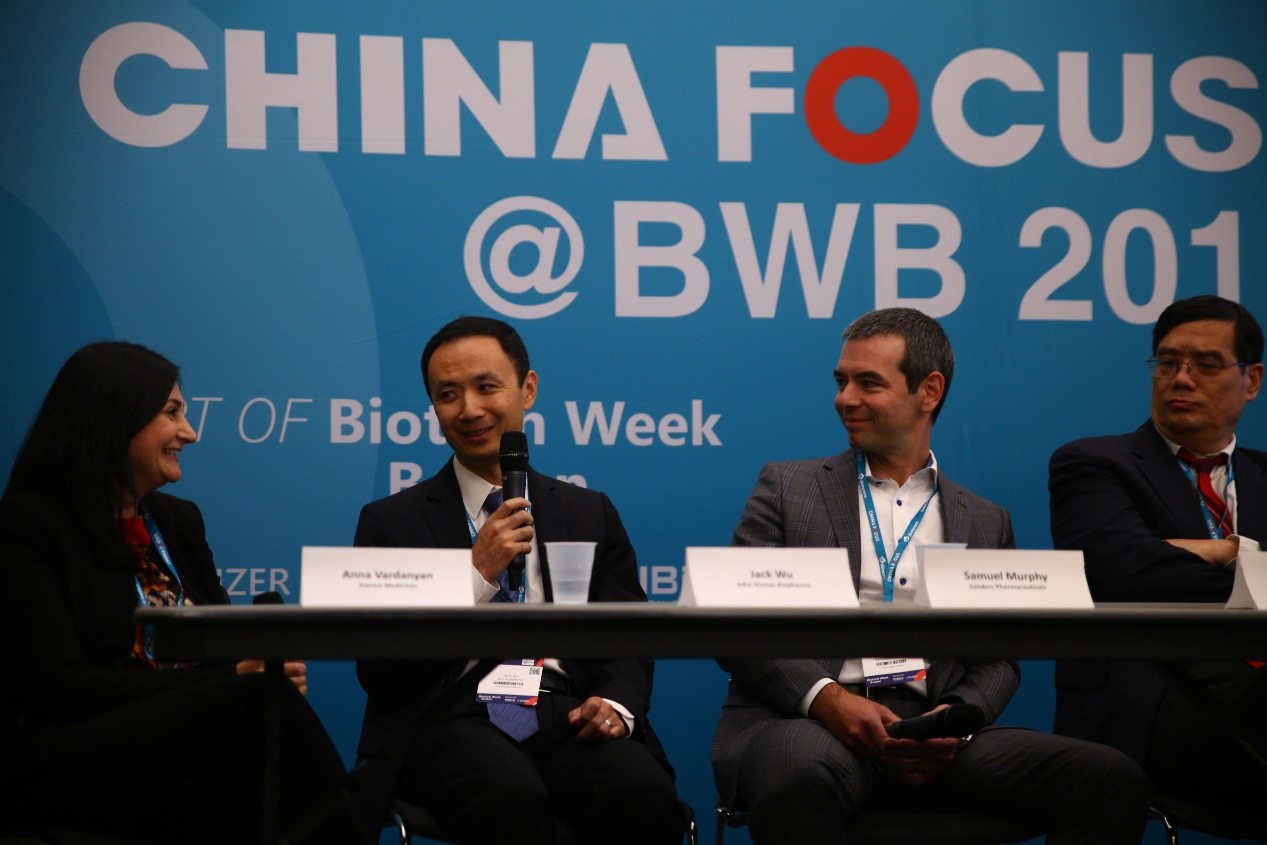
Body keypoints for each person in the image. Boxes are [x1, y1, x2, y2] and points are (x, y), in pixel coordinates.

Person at [712, 308, 1150, 844]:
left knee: (1109, 778)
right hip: (810, 721)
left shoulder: (986, 520)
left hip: (937, 735)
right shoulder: (788, 489)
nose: (845, 398)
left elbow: (998, 657)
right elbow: (741, 624)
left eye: (868, 383)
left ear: (929, 391)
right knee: (798, 773)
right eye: (841, 381)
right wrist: (829, 700)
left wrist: (955, 719)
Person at [0, 341, 367, 843]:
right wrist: (233, 681)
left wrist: (253, 667)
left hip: (181, 749)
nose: (189, 433)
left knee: (257, 735)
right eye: (172, 413)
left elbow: (223, 649)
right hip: (70, 754)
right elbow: (57, 690)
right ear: (114, 417)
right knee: (256, 701)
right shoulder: (27, 526)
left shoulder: (177, 521)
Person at [352, 315, 683, 845]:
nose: (469, 409)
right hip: (454, 717)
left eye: (487, 387)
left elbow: (627, 636)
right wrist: (474, 574)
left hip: (570, 712)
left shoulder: (588, 511)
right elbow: (380, 669)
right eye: (448, 395)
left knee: (639, 790)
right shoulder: (392, 522)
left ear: (527, 389)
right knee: (507, 793)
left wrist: (616, 705)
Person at [1050, 294, 1267, 807]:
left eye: (1206, 364)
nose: (1181, 379)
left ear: (1252, 381)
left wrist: (1202, 553)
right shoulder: (1095, 463)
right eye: (1168, 362)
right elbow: (1121, 571)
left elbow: (1152, 566)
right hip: (1156, 697)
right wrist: (1240, 553)